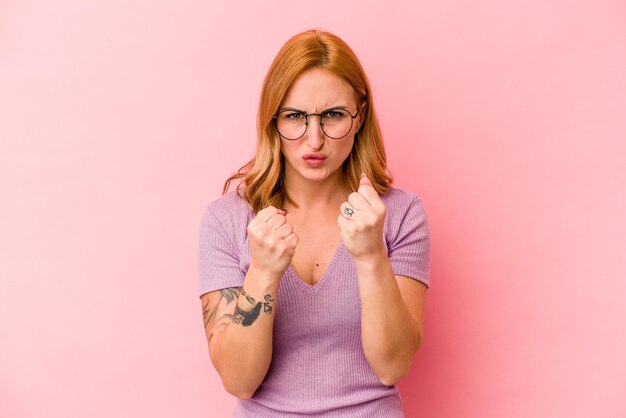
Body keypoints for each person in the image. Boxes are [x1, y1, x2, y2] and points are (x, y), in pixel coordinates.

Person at [198, 29, 430, 417]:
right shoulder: (225, 220)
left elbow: (392, 366)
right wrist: (263, 273)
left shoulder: (401, 214)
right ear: (273, 120)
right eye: (295, 117)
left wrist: (372, 255)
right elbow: (239, 380)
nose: (315, 139)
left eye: (333, 116)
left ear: (360, 115)